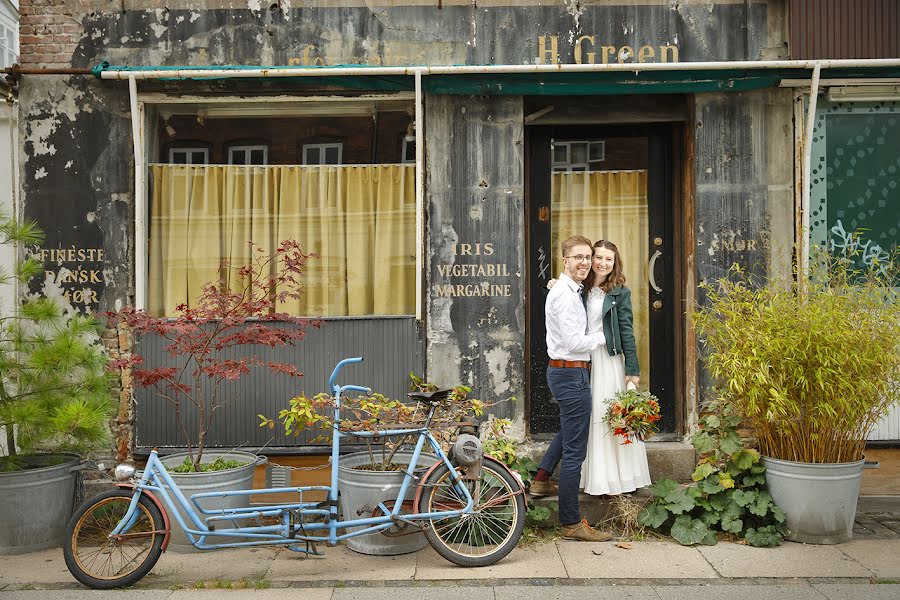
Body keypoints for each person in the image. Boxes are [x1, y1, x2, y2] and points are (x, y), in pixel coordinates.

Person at [531, 235, 613, 542]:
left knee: (571, 430)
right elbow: (572, 342)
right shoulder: (565, 295)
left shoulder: (569, 289)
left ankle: (541, 479)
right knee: (576, 450)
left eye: (588, 257)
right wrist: (605, 336)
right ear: (564, 260)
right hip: (569, 373)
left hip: (570, 373)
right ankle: (570, 522)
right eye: (577, 257)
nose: (585, 262)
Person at [580, 239, 651, 495]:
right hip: (584, 358)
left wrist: (632, 370)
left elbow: (626, 331)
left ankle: (622, 478)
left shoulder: (620, 292)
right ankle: (598, 476)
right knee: (592, 416)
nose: (602, 263)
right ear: (590, 259)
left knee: (612, 414)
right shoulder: (580, 288)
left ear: (614, 262)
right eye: (598, 257)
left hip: (608, 359)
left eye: (608, 259)